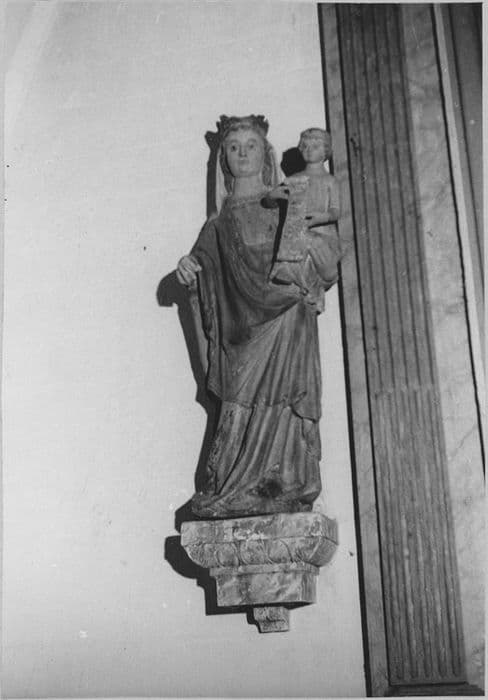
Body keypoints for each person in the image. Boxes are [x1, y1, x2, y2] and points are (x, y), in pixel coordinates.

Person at [176, 116, 341, 518]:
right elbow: (202, 271)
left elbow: (326, 261)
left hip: (288, 322)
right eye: (234, 147)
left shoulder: (286, 203)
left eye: (251, 145)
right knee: (237, 399)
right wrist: (189, 269)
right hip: (240, 335)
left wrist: (310, 249)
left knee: (284, 405)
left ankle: (284, 485)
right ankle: (232, 485)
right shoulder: (217, 225)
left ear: (265, 154)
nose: (243, 153)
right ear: (224, 161)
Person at [268, 128, 341, 312]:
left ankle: (307, 286)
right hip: (296, 236)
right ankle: (301, 284)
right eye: (305, 146)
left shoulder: (329, 181)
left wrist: (319, 218)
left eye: (315, 146)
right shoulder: (294, 179)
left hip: (323, 238)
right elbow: (272, 204)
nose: (308, 150)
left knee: (308, 243)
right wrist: (273, 196)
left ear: (326, 150)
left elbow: (335, 212)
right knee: (297, 243)